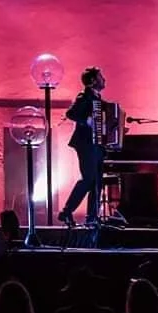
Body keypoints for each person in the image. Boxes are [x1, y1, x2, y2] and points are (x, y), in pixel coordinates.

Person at [58, 66, 107, 227]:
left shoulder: (97, 99)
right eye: (100, 77)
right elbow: (70, 113)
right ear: (93, 81)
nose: (104, 79)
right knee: (88, 179)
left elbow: (105, 118)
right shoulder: (84, 96)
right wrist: (86, 120)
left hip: (96, 145)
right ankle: (66, 212)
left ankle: (92, 217)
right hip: (86, 144)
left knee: (97, 182)